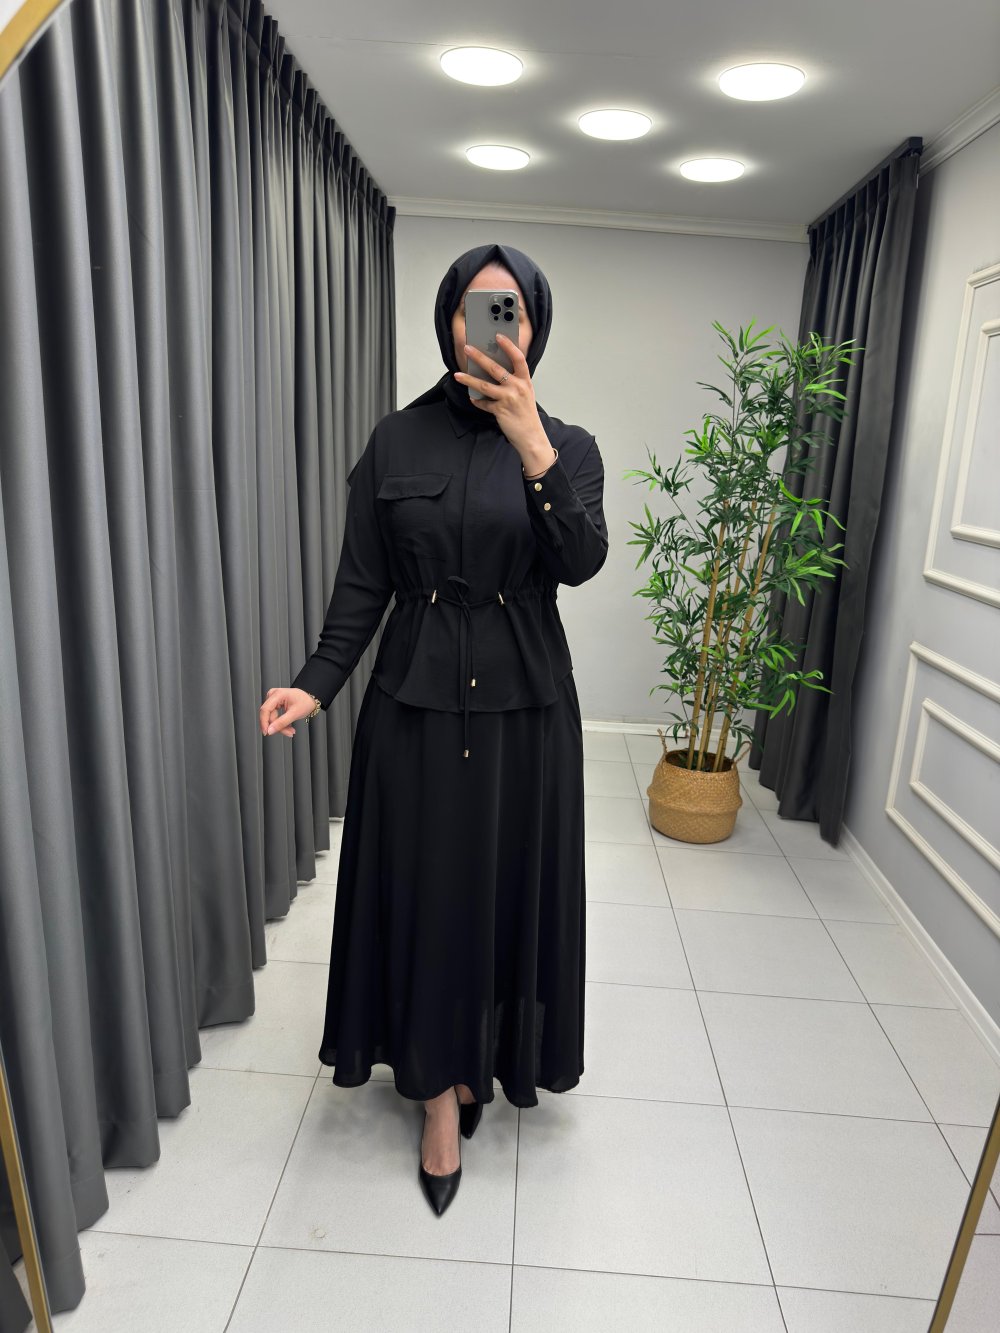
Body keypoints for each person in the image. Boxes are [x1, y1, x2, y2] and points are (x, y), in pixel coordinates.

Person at [259, 242, 609, 1216]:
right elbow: (361, 587)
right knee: (426, 897)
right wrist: (316, 684)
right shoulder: (395, 442)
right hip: (410, 712)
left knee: (500, 891)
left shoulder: (569, 446)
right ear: (448, 320)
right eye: (474, 307)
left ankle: (480, 1055)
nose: (492, 325)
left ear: (534, 326)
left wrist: (530, 442)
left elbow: (581, 560)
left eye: (511, 310)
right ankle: (437, 1100)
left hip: (525, 716)